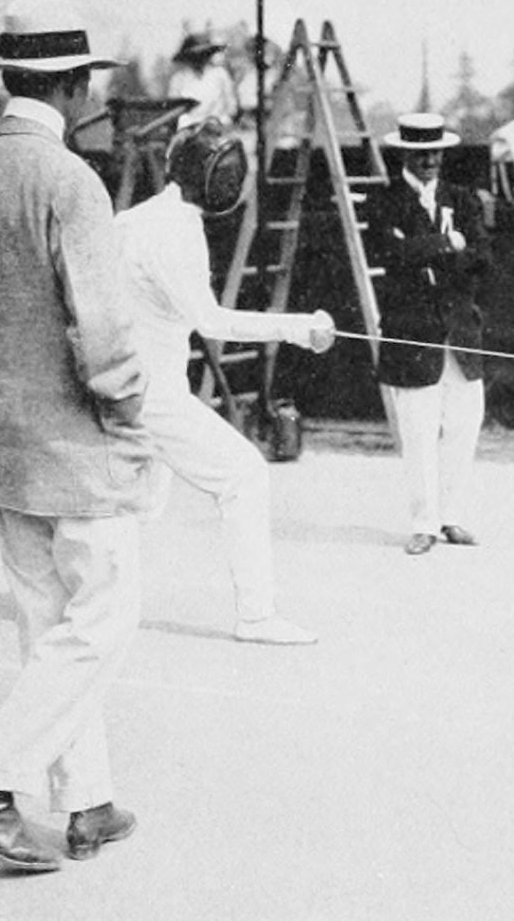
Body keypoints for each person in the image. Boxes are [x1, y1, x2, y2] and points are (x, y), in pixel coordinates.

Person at [0, 0, 151, 872]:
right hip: (77, 445)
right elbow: (109, 336)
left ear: (6, 78)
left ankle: (86, 804)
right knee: (103, 623)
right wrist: (131, 411)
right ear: (78, 85)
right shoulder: (70, 180)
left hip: (1, 439)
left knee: (48, 628)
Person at [114, 119, 336, 644]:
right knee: (244, 475)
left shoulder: (134, 218)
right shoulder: (176, 231)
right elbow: (211, 322)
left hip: (119, 384)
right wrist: (300, 328)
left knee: (139, 504)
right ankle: (256, 616)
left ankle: (91, 604)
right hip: (153, 395)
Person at [366, 113, 493, 556]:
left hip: (460, 331)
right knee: (418, 430)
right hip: (413, 330)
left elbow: (482, 258)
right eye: (420, 155)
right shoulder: (383, 202)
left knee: (463, 424)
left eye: (435, 153)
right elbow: (392, 253)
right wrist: (449, 244)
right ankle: (424, 523)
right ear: (404, 154)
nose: (429, 162)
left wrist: (431, 251)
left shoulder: (462, 198)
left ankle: (450, 517)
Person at [167, 32, 238, 128]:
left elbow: (231, 108)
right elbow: (174, 110)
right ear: (187, 57)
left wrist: (221, 122)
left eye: (203, 54)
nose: (198, 59)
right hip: (188, 131)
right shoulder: (178, 79)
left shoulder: (220, 75)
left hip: (217, 129)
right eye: (193, 56)